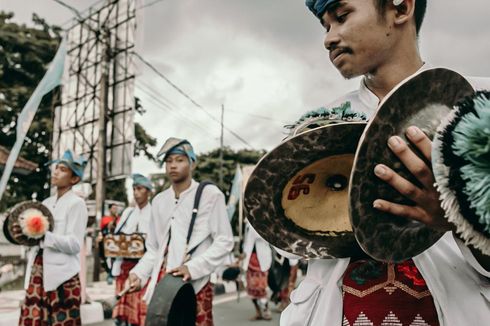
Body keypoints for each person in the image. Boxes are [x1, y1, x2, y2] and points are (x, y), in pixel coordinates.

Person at [279, 1, 490, 325]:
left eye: (341, 17)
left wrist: (456, 216)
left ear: (401, 8)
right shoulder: (320, 126)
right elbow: (296, 238)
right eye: (325, 26)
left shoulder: (480, 106)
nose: (329, 38)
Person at [126, 138, 234, 326]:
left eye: (179, 160)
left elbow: (224, 241)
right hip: (164, 284)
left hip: (196, 285)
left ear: (192, 163)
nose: (173, 165)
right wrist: (139, 274)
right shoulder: (159, 201)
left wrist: (192, 268)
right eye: (169, 161)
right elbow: (154, 248)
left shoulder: (210, 195)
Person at [18, 149, 88, 325]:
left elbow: (74, 244)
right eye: (56, 168)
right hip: (39, 270)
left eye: (63, 169)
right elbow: (36, 240)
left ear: (74, 179)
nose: (56, 172)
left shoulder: (77, 204)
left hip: (63, 276)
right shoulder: (46, 204)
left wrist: (44, 237)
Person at [112, 173, 153, 326]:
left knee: (141, 312)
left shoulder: (154, 213)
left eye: (140, 189)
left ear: (148, 191)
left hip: (144, 269)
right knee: (124, 317)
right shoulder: (128, 213)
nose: (136, 193)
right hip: (125, 267)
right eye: (134, 189)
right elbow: (117, 238)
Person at [242, 221, 273, 321]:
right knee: (251, 288)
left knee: (261, 287)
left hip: (261, 260)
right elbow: (247, 240)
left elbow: (266, 236)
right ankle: (258, 312)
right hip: (249, 258)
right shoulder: (248, 223)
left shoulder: (264, 221)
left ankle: (266, 310)